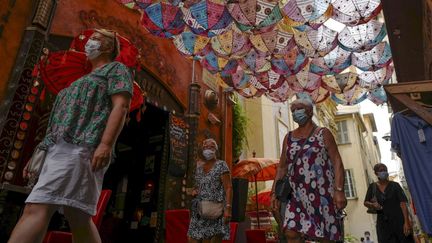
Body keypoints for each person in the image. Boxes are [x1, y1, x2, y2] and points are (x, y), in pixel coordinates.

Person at [8, 29, 133, 243]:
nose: (89, 43)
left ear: (108, 47)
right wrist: (42, 150)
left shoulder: (116, 69)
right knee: (78, 216)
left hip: (83, 148)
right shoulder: (78, 81)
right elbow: (57, 122)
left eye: (95, 39)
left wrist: (105, 144)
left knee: (37, 206)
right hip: (58, 149)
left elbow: (121, 106)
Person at [271, 94, 347, 243]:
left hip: (323, 194)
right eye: (293, 110)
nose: (295, 113)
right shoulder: (289, 137)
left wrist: (339, 191)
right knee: (291, 233)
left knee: (325, 236)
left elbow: (337, 161)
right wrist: (274, 193)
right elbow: (282, 167)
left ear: (310, 112)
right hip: (296, 195)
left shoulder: (323, 133)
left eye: (299, 109)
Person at [187, 138, 233, 243]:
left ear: (216, 149)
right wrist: (193, 191)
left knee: (211, 240)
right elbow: (198, 187)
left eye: (211, 147)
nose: (208, 149)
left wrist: (228, 208)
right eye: (206, 147)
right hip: (199, 211)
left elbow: (228, 187)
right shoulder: (199, 168)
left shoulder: (221, 165)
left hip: (215, 212)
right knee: (192, 239)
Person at [364, 163, 414, 243]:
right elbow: (366, 202)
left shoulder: (395, 185)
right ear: (376, 173)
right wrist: (372, 205)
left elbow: (403, 204)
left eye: (385, 170)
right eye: (381, 170)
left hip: (399, 222)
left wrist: (406, 222)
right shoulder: (372, 187)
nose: (384, 172)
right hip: (383, 224)